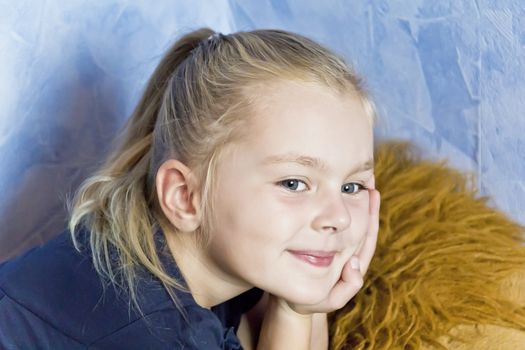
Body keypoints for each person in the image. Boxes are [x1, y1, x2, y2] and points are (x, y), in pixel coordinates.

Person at [0, 27, 380, 349]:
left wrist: (299, 305)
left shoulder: (185, 253)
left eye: (352, 186)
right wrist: (299, 309)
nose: (339, 217)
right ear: (183, 196)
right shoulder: (159, 334)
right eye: (294, 183)